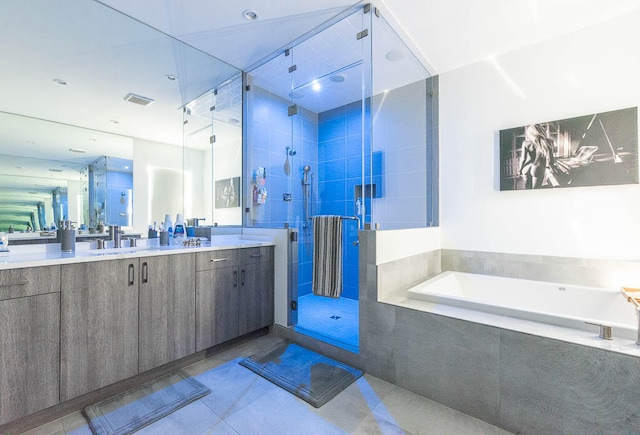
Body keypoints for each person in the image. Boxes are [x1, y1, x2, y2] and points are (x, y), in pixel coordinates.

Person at [519, 123, 557, 188]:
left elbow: (523, 159)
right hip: (537, 168)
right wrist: (552, 168)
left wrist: (520, 170)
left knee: (527, 191)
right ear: (541, 131)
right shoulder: (548, 141)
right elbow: (551, 159)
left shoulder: (526, 143)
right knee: (535, 191)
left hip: (526, 167)